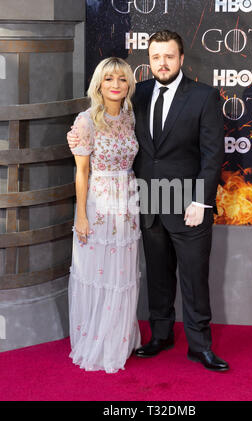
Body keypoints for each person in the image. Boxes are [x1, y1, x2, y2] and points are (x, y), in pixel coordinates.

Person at [68, 30, 229, 372]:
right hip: (145, 203)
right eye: (156, 57)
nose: (163, 63)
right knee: (157, 275)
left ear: (181, 59)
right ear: (149, 61)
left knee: (194, 277)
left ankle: (200, 346)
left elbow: (213, 155)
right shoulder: (135, 94)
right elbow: (104, 119)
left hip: (188, 205)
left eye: (169, 56)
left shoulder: (203, 96)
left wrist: (201, 202)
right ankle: (161, 335)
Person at [67, 57, 141, 373]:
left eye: (122, 79)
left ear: (129, 85)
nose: (115, 85)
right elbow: (81, 172)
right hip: (99, 203)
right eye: (109, 78)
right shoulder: (86, 121)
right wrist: (81, 216)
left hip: (128, 201)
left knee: (122, 273)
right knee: (98, 274)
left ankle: (118, 340)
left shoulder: (130, 117)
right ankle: (96, 341)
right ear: (98, 83)